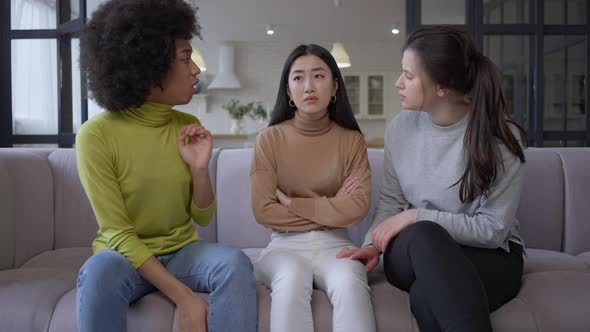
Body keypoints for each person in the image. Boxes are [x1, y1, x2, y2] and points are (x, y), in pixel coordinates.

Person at [75, 1, 257, 331]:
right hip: (123, 259)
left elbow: (203, 216)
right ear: (149, 67)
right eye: (186, 59)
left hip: (182, 253)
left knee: (233, 261)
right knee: (98, 271)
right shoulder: (96, 135)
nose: (196, 70)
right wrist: (185, 298)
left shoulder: (187, 125)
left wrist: (200, 169)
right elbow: (118, 234)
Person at [338, 26, 527, 332]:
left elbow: (492, 231)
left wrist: (415, 215)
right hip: (416, 251)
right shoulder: (401, 128)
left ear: (442, 86)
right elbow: (391, 202)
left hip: (490, 256)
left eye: (409, 76)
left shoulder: (499, 138)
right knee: (425, 235)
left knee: (427, 296)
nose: (398, 83)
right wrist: (373, 245)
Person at [250, 44, 377, 332]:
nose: (308, 86)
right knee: (292, 277)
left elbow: (356, 209)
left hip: (337, 244)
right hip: (283, 245)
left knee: (349, 280)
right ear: (288, 90)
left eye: (318, 76)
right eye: (298, 77)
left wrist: (294, 204)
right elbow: (263, 211)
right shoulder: (269, 140)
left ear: (334, 87)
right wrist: (334, 205)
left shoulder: (352, 140)